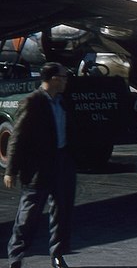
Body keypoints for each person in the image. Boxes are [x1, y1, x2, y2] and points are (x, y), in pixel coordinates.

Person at [4, 62, 76, 268]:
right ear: (53, 79)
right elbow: (17, 137)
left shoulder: (62, 101)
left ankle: (57, 255)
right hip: (38, 167)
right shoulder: (32, 102)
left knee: (62, 213)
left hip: (62, 163)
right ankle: (16, 257)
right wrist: (11, 170)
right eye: (63, 77)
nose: (66, 81)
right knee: (28, 216)